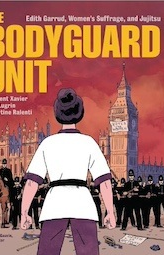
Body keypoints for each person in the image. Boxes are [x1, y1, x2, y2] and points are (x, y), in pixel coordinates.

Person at [20, 88, 115, 255]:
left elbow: (31, 182)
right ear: (79, 113)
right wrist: (110, 211)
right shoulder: (89, 143)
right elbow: (105, 182)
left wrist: (24, 212)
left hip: (55, 204)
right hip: (83, 204)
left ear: (58, 114)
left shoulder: (48, 143)